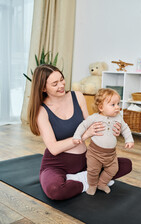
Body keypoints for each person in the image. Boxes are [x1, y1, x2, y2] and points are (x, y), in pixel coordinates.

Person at [28, 64, 133, 200]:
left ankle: (85, 177)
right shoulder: (41, 111)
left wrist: (113, 129)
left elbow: (92, 124)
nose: (61, 85)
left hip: (86, 160)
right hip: (57, 165)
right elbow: (53, 148)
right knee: (56, 191)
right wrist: (85, 135)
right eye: (55, 83)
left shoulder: (77, 96)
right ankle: (87, 182)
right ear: (43, 88)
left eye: (62, 79)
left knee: (126, 165)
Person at [73, 88, 134, 195]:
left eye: (118, 104)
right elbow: (83, 125)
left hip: (111, 154)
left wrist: (129, 139)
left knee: (113, 169)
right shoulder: (95, 118)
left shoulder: (119, 117)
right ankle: (92, 185)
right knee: (93, 171)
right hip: (95, 153)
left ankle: (102, 183)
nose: (117, 107)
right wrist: (77, 136)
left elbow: (125, 128)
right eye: (113, 104)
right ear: (101, 107)